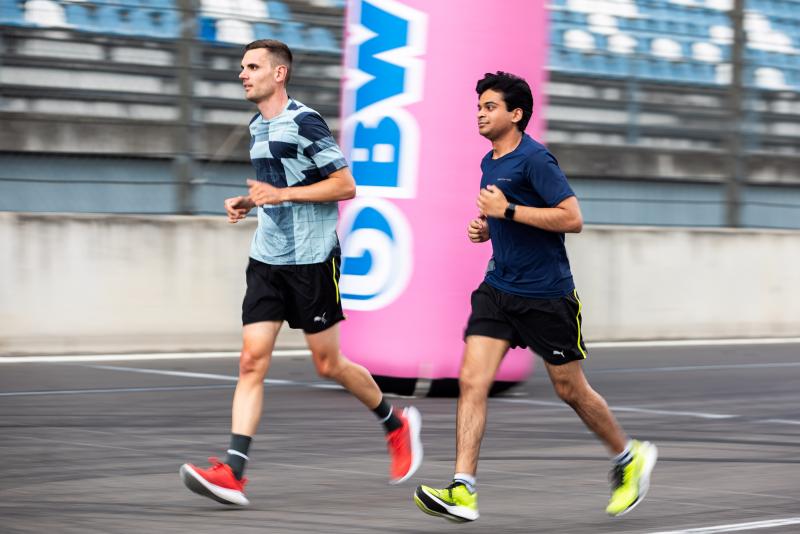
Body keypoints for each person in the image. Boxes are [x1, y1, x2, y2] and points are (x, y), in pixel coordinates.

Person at [179, 39, 422, 506]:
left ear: (279, 73)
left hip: (312, 261)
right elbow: (279, 185)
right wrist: (248, 202)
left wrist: (281, 196)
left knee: (328, 364)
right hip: (267, 259)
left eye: (252, 66)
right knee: (251, 361)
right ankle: (233, 472)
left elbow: (344, 185)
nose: (242, 74)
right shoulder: (257, 126)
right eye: (242, 67)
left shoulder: (306, 122)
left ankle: (395, 424)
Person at [412, 71, 656, 522]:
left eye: (490, 107)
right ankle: (463, 490)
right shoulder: (489, 162)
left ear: (516, 114)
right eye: (479, 106)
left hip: (546, 296)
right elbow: (509, 218)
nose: (480, 114)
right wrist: (488, 228)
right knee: (472, 381)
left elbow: (572, 218)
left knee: (570, 389)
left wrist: (505, 210)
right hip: (499, 289)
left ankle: (629, 457)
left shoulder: (536, 159)